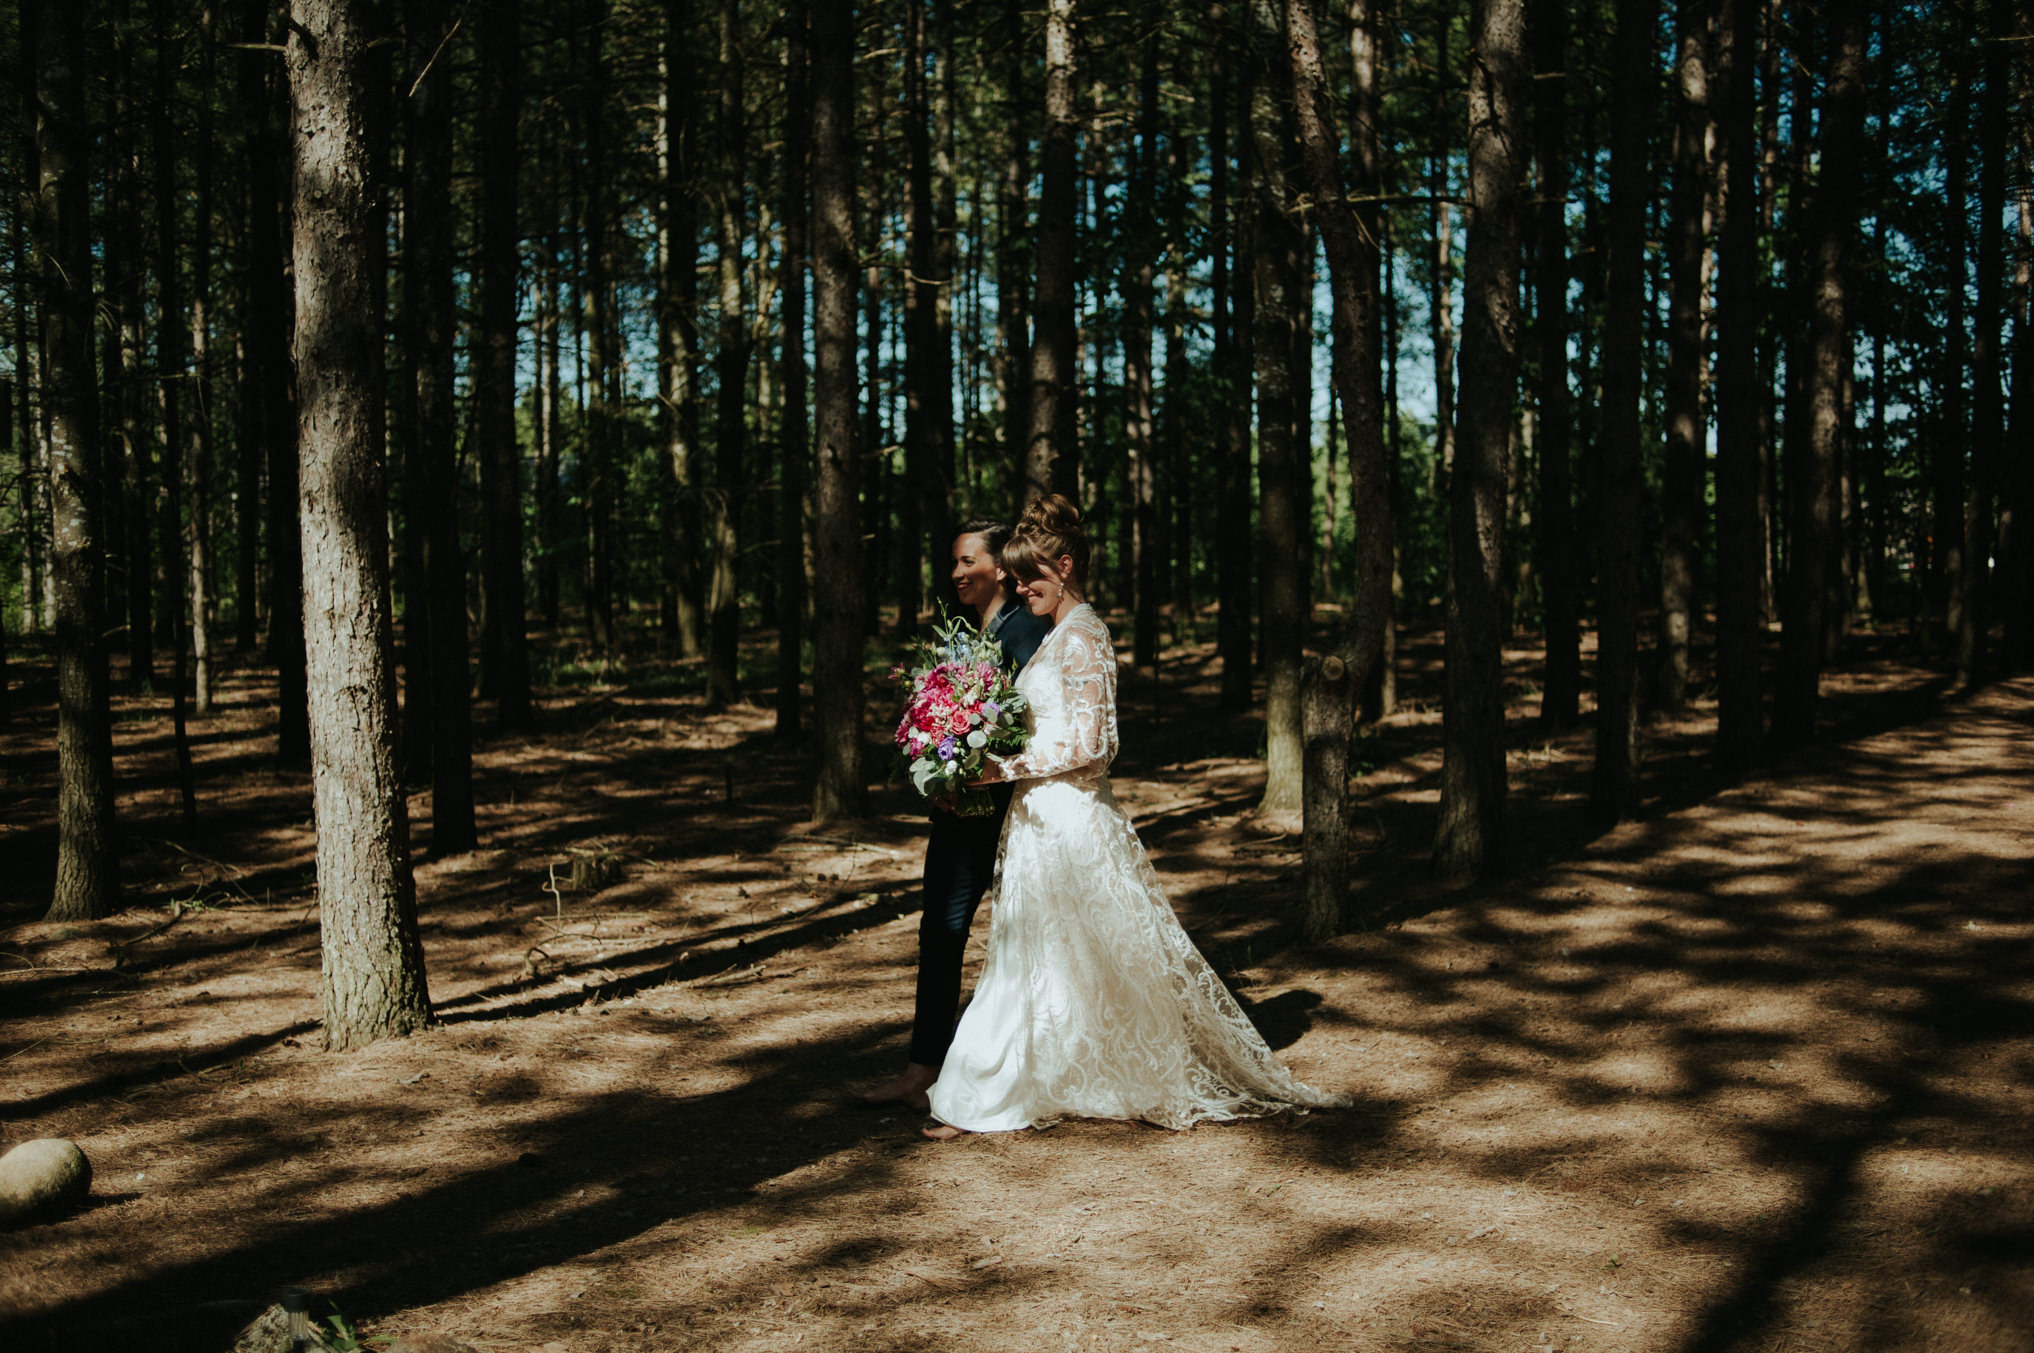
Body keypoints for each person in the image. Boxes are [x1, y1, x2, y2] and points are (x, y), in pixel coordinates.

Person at [925, 495, 1347, 1137]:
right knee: (1032, 953)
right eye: (1015, 576)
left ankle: (990, 1092)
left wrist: (997, 768)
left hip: (1072, 820)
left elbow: (1093, 745)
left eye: (1031, 575)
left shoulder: (1087, 635)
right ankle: (1031, 1076)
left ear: (1064, 567)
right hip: (1037, 822)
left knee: (1082, 952)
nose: (1020, 587)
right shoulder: (1056, 635)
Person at [857, 520, 1052, 1112]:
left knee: (1004, 936)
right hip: (963, 808)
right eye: (954, 563)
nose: (959, 573)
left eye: (970, 561)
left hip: (1005, 808)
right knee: (939, 934)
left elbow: (1033, 720)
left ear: (1001, 567)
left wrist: (977, 766)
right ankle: (924, 1069)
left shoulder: (1024, 632)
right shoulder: (971, 633)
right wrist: (939, 766)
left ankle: (996, 1069)